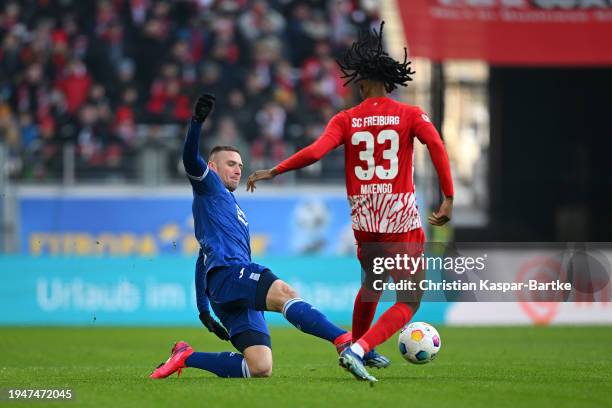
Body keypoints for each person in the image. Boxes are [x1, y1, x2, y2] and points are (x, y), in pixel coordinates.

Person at [246, 22, 454, 382]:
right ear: (389, 81)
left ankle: (356, 346)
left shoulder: (346, 118)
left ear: (362, 82)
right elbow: (435, 145)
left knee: (372, 285)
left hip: (363, 215)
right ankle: (358, 349)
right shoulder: (410, 115)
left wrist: (276, 170)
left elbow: (315, 152)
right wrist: (448, 196)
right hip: (398, 214)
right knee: (408, 301)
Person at [150, 94, 353, 380]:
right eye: (231, 163)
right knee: (286, 294)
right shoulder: (208, 186)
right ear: (213, 167)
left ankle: (187, 356)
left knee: (259, 367)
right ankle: (343, 339)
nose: (238, 169)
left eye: (241, 166)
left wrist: (203, 311)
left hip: (224, 291)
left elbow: (201, 258)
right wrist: (196, 123)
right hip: (231, 275)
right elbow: (189, 159)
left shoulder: (229, 207)